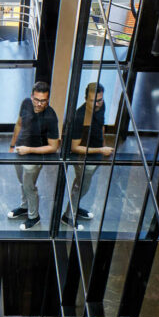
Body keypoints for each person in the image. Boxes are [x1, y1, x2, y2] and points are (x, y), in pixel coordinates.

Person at [8, 81, 60, 230]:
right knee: (22, 182)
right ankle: (24, 207)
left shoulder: (50, 117)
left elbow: (53, 147)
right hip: (20, 151)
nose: (39, 104)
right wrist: (12, 145)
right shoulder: (25, 103)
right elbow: (19, 124)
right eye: (36, 100)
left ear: (48, 99)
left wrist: (29, 149)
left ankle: (34, 216)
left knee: (29, 186)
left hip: (34, 155)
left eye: (43, 101)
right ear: (31, 97)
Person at [62, 82, 113, 226]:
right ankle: (67, 216)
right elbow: (75, 148)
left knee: (82, 186)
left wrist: (102, 145)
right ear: (85, 99)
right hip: (83, 157)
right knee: (81, 187)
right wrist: (101, 150)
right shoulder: (80, 117)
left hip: (96, 154)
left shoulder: (101, 106)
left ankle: (74, 209)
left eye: (99, 100)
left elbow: (101, 126)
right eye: (93, 101)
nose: (97, 104)